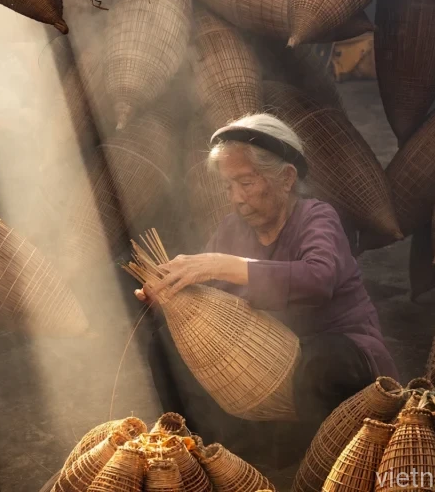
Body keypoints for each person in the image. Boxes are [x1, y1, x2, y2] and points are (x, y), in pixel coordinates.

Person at [136, 114, 397, 468]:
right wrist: (169, 295)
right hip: (265, 365)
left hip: (339, 356)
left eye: (246, 182)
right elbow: (207, 295)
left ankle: (330, 466)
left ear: (286, 178)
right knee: (164, 344)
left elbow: (318, 280)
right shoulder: (233, 229)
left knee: (321, 363)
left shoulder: (317, 218)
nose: (237, 198)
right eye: (229, 186)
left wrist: (220, 264)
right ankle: (200, 457)